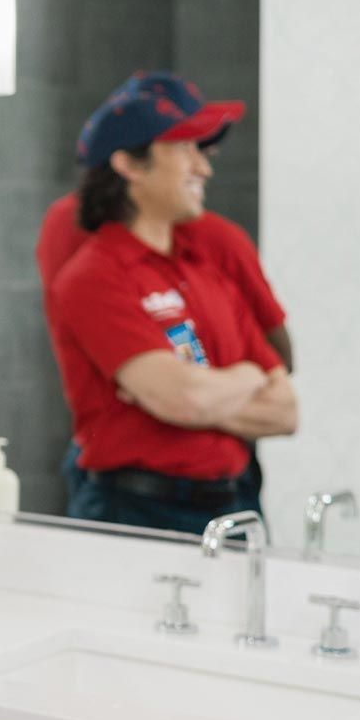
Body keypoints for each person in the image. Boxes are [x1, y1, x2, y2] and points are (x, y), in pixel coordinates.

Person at [47, 72, 297, 534]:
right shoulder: (94, 272)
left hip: (231, 505)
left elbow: (284, 408)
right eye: (184, 148)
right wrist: (239, 379)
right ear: (130, 165)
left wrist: (194, 394)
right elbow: (180, 397)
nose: (204, 167)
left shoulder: (204, 264)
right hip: (139, 507)